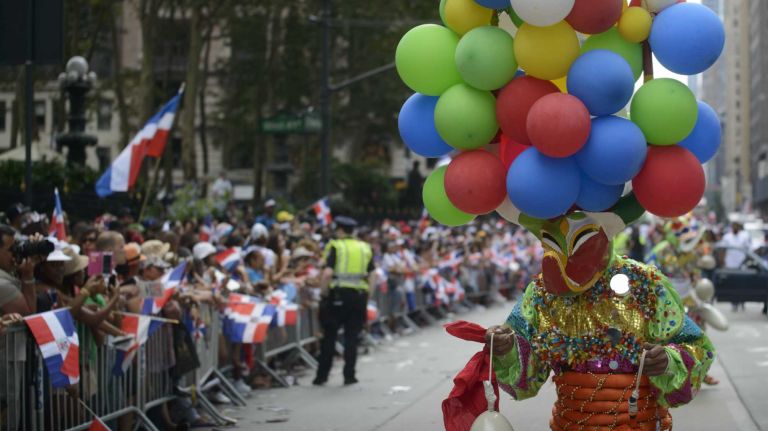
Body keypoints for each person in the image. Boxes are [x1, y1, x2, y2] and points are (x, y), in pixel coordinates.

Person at [472, 198, 714, 431]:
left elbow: (697, 346)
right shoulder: (542, 292)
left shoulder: (644, 283)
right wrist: (506, 348)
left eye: (578, 240)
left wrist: (668, 361)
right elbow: (527, 377)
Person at [313, 216, 375, 386]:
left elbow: (326, 273)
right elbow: (372, 275)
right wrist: (368, 295)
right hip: (358, 297)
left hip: (337, 296)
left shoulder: (335, 246)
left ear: (340, 230)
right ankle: (350, 376)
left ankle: (322, 376)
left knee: (329, 337)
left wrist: (323, 293)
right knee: (352, 337)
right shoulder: (365, 247)